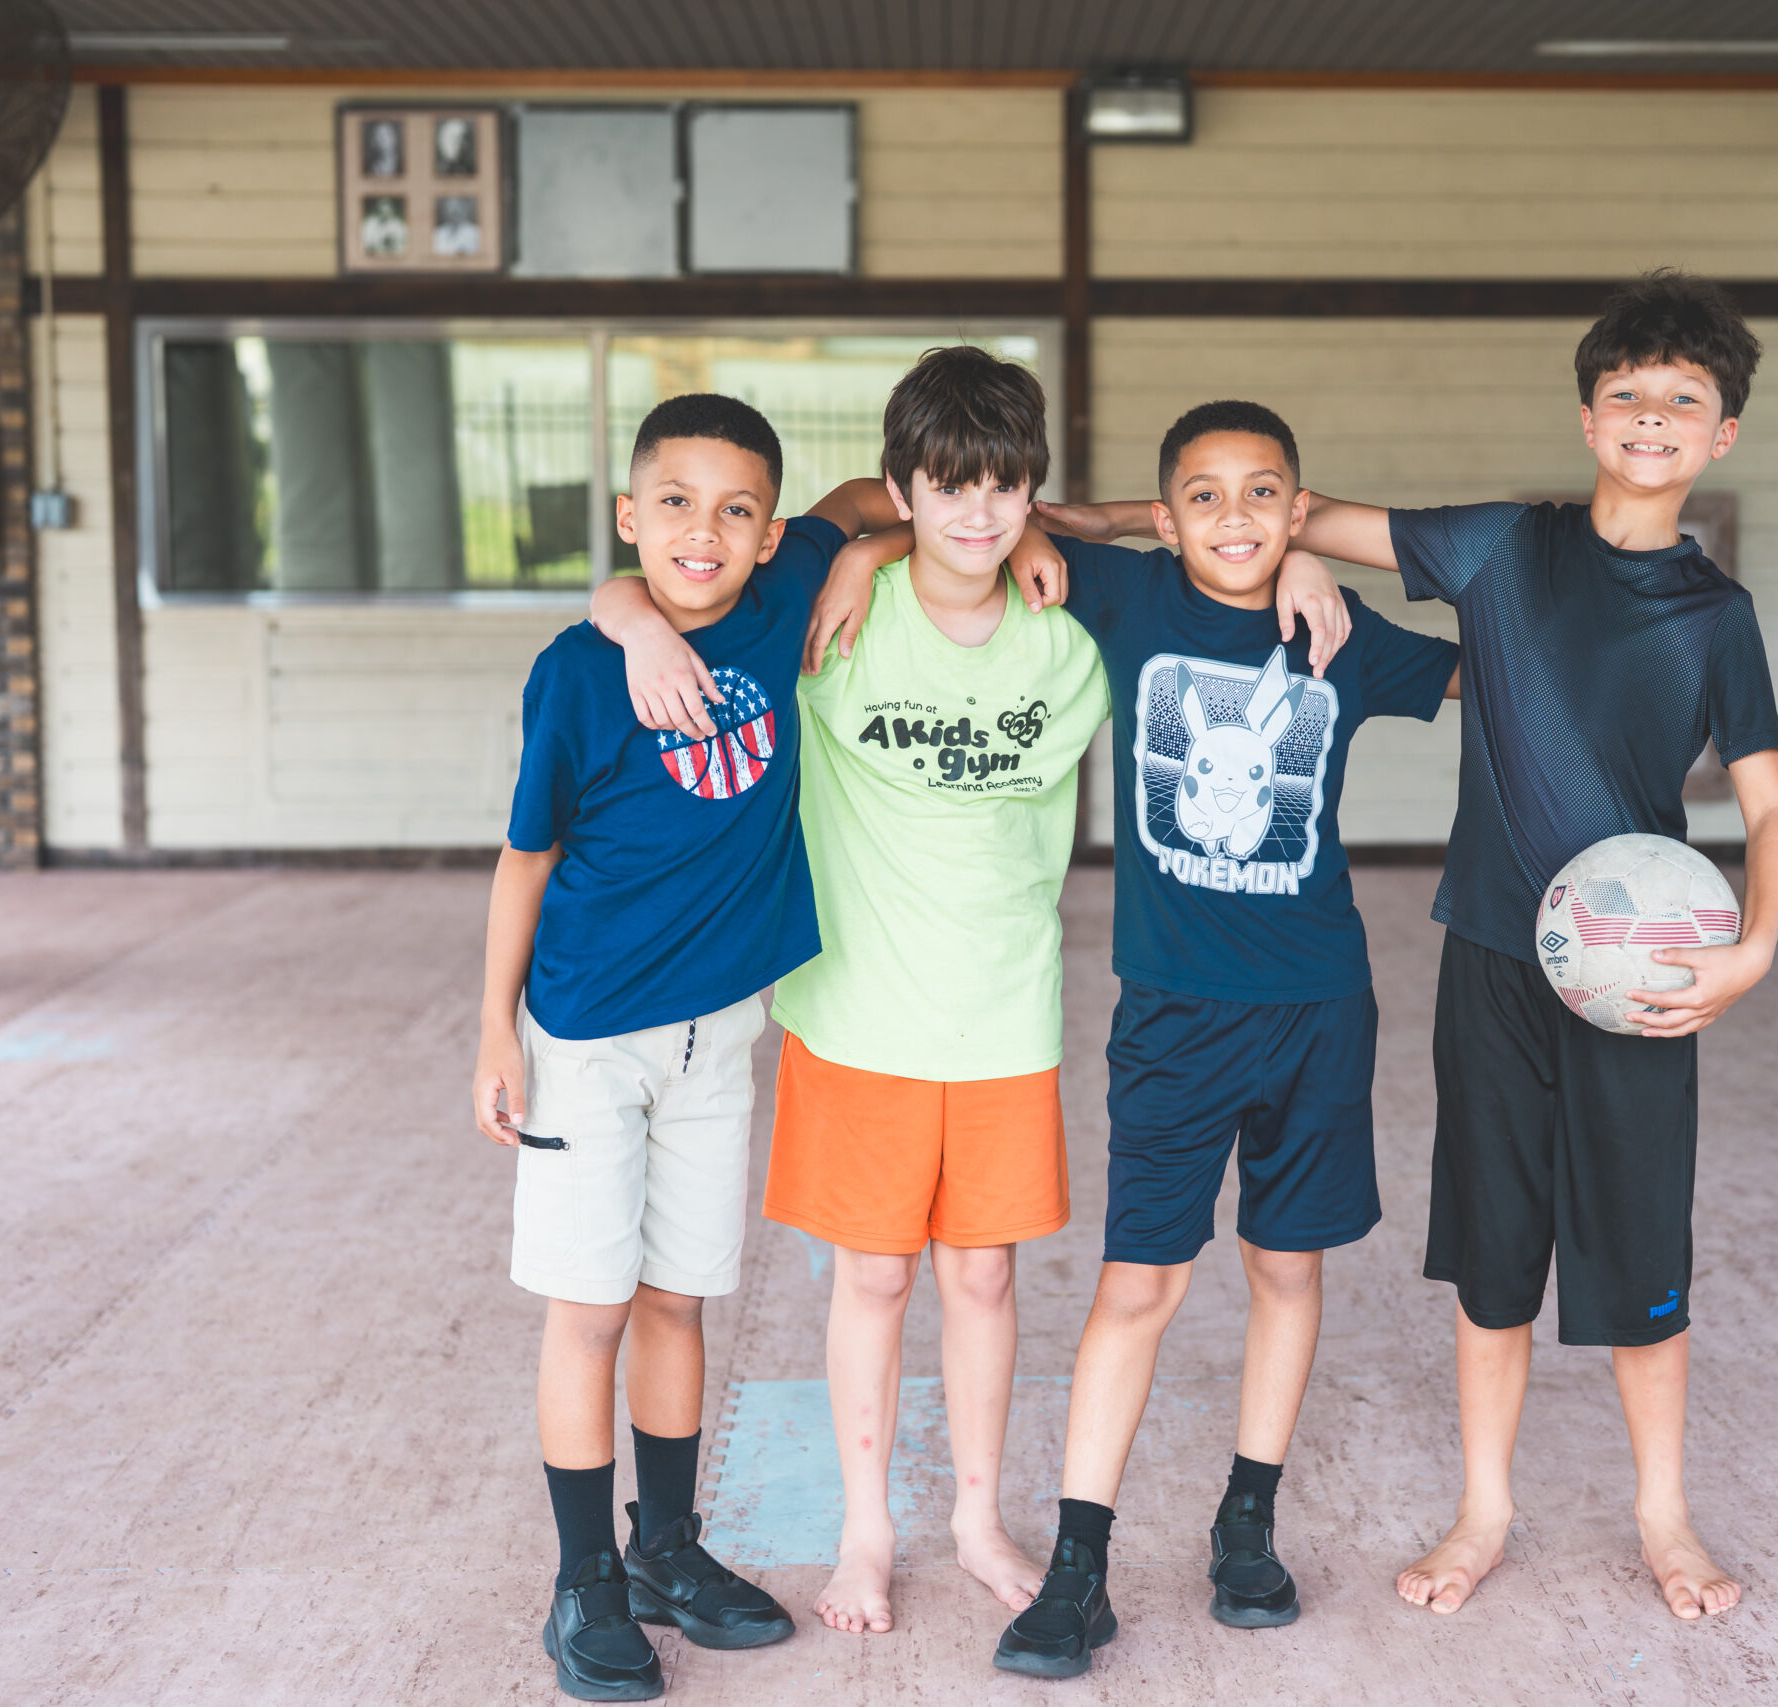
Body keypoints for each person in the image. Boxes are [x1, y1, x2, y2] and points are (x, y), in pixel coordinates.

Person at [1062, 269, 1778, 1626]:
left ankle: (1663, 1508)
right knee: (1493, 1251)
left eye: (1683, 400)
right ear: (1588, 416)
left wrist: (1752, 947)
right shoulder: (1499, 549)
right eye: (1627, 394)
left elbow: (1771, 804)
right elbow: (1283, 513)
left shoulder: (1719, 617)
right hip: (1491, 958)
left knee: (1643, 1249)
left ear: (1721, 435)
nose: (1652, 417)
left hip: (1637, 969)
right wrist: (1277, 542)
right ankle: (1484, 1504)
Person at [595, 347, 1115, 1639]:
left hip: (1004, 1013)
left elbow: (1216, 535)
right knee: (874, 1279)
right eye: (947, 489)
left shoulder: (1068, 624)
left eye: (1008, 489)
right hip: (859, 1018)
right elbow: (652, 577)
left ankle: (980, 1516)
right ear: (904, 489)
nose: (981, 515)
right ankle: (867, 1527)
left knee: (985, 1281)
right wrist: (847, 552)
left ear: (1035, 492)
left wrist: (1311, 559)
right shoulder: (827, 616)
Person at [976, 401, 1459, 1678]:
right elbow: (990, 510)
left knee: (1285, 1273)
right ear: (1166, 511)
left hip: (1314, 1009)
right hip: (1174, 1017)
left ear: (1300, 507)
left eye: (1265, 496)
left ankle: (1247, 1523)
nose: (1234, 517)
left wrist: (1329, 561)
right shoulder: (1128, 600)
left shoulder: (1336, 638)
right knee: (1138, 1284)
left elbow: (1490, 661)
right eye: (1204, 495)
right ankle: (1079, 1568)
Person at [472, 393, 910, 1702]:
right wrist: (492, 1023)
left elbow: (893, 496)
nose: (703, 531)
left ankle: (666, 1545)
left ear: (773, 533)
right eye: (674, 505)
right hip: (588, 1038)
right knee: (591, 1305)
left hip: (718, 1034)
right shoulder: (580, 668)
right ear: (629, 518)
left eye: (736, 510)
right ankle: (583, 1581)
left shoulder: (782, 605)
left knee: (678, 1294)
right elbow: (526, 852)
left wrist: (883, 551)